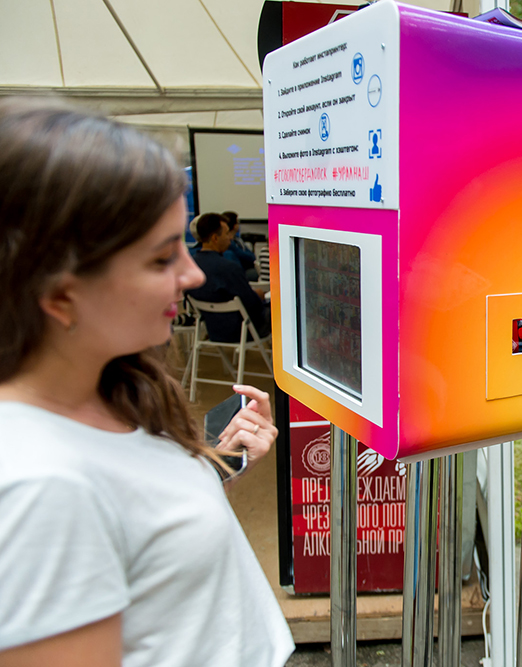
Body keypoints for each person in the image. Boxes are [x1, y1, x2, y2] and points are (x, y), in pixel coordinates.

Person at [0, 99, 293, 666]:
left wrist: (219, 462)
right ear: (61, 294)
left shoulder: (110, 388)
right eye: (161, 260)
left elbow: (135, 529)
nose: (192, 275)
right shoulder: (38, 488)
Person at [188, 213, 271, 342]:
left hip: (212, 328)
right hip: (241, 330)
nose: (230, 239)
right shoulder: (229, 268)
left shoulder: (190, 267)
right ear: (215, 238)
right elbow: (253, 306)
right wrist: (258, 296)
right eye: (227, 234)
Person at [221, 210, 259, 281]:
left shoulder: (238, 240)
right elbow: (248, 256)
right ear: (235, 226)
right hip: (241, 271)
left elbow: (252, 256)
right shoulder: (230, 244)